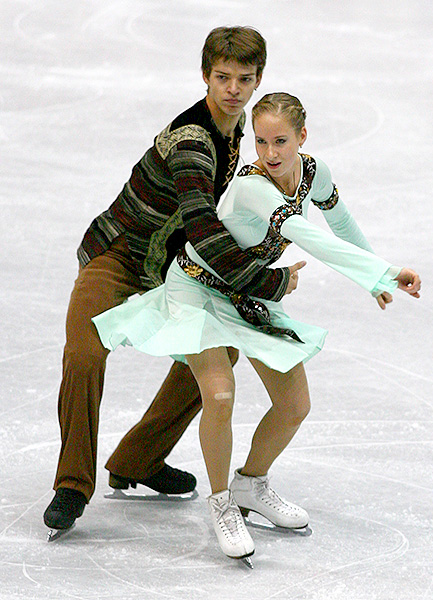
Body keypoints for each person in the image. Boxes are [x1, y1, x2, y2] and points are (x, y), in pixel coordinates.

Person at [92, 92, 421, 563]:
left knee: (294, 404)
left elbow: (340, 221)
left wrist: (375, 279)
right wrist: (383, 272)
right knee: (220, 395)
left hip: (247, 293)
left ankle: (251, 483)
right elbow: (311, 239)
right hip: (198, 288)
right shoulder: (253, 188)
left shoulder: (314, 173)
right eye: (261, 142)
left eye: (281, 142)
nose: (270, 154)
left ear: (301, 138)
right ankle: (222, 501)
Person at [43, 28, 304, 534]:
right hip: (118, 252)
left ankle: (137, 459)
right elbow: (205, 228)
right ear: (205, 75)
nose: (232, 88)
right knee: (85, 350)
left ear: (257, 81)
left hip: (170, 267)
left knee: (218, 352)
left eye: (244, 79)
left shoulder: (241, 138)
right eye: (222, 77)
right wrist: (267, 282)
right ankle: (71, 484)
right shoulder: (192, 140)